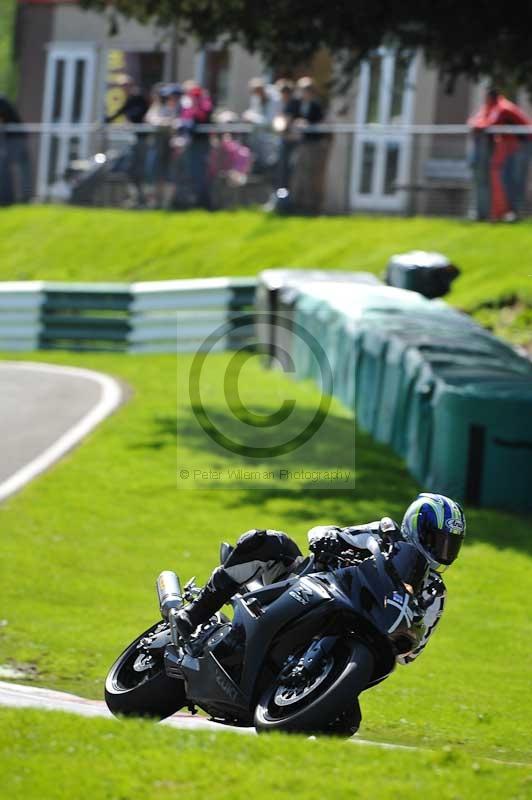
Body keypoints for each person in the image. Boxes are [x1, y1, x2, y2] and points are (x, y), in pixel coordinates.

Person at [175, 493, 466, 668]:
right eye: (436, 539)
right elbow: (328, 532)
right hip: (307, 586)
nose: (442, 550)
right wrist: (328, 541)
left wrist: (405, 639)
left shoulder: (434, 593)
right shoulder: (385, 534)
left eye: (449, 544)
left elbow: (410, 655)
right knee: (268, 542)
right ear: (417, 526)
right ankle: (195, 613)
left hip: (350, 636)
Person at [468, 88, 531, 221]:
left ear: (492, 98)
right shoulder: (493, 107)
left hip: (524, 145)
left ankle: (515, 213)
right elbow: (478, 119)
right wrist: (474, 123)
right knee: (508, 178)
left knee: (515, 178)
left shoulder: (502, 108)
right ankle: (508, 212)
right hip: (513, 147)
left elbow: (490, 123)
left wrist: (477, 126)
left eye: (487, 100)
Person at [106, 74, 150, 206]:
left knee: (138, 169)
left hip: (141, 139)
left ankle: (142, 198)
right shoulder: (129, 99)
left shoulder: (139, 98)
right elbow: (120, 112)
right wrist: (105, 121)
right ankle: (136, 197)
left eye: (124, 86)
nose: (123, 89)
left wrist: (129, 121)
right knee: (130, 169)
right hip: (133, 139)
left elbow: (139, 114)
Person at [290, 77, 330, 214]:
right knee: (300, 174)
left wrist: (308, 125)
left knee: (313, 176)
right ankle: (298, 203)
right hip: (302, 144)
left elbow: (323, 123)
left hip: (315, 145)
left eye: (305, 90)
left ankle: (313, 206)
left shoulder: (317, 106)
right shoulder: (296, 104)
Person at [0, 95, 32, 205]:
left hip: (15, 138)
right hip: (12, 138)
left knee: (7, 167)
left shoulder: (1, 100)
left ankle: (16, 197)